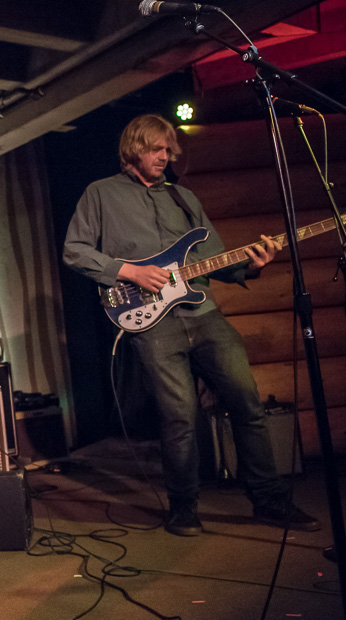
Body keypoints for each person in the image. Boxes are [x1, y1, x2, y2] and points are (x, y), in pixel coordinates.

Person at [62, 114, 320, 537]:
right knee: (178, 418)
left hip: (204, 315)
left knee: (247, 403)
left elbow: (215, 256)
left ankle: (268, 499)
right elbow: (74, 251)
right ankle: (184, 506)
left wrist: (252, 266)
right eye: (156, 149)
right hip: (152, 325)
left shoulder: (183, 197)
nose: (165, 156)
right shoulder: (101, 194)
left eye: (169, 150)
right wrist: (128, 270)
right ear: (133, 148)